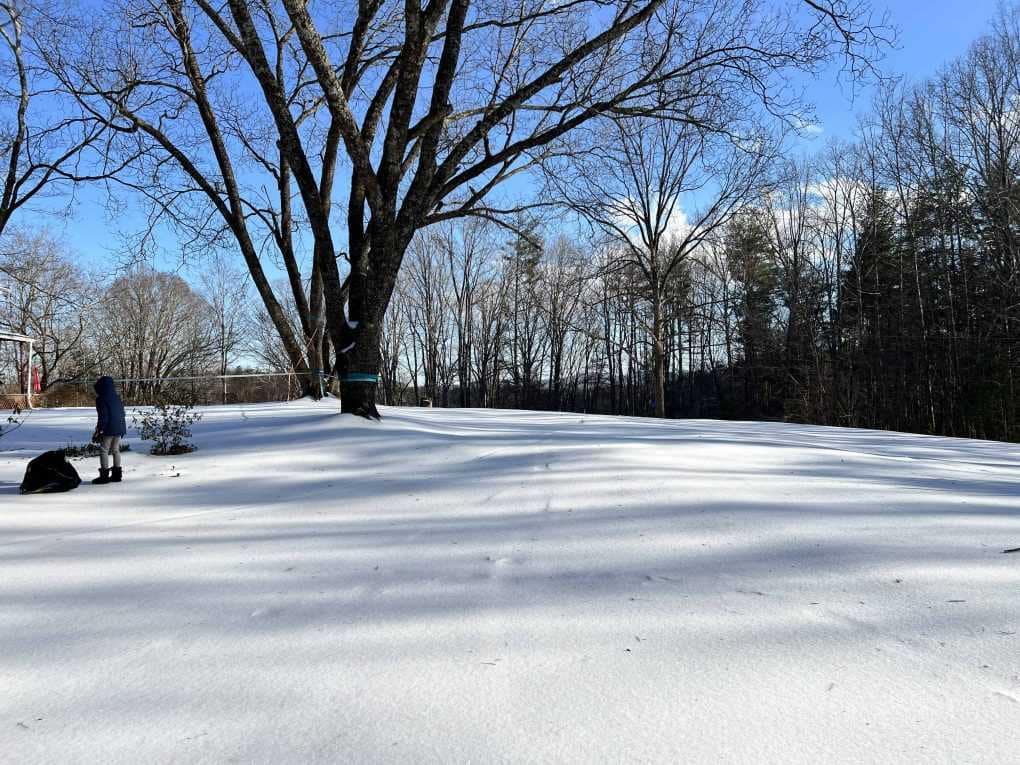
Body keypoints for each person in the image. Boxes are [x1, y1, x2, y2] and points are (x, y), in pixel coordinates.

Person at [92, 376, 127, 485]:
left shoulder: (101, 399)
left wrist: (100, 430)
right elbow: (122, 413)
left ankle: (104, 477)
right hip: (120, 427)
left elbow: (103, 416)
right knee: (116, 450)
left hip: (109, 428)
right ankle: (117, 475)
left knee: (104, 450)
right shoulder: (117, 397)